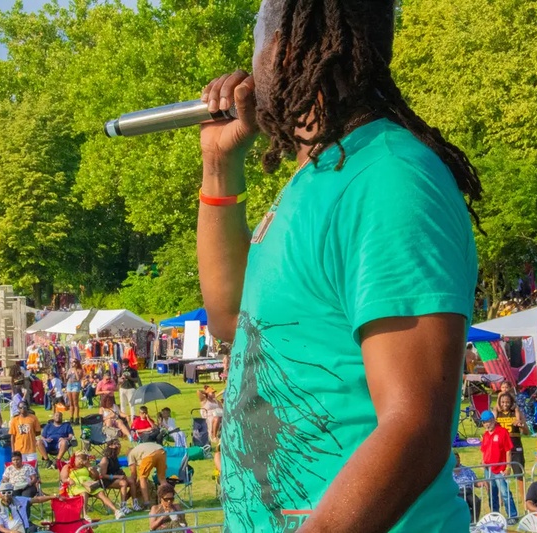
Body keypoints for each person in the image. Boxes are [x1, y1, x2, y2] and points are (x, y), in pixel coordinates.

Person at [198, 0, 480, 530]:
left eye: (255, 37)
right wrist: (219, 163)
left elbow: (415, 426)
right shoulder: (316, 178)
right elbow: (232, 320)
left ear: (280, 50)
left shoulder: (389, 179)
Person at [61, 450, 124, 521]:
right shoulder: (68, 467)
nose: (81, 461)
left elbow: (96, 476)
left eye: (84, 458)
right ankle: (85, 515)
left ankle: (116, 511)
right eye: (80, 458)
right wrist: (69, 480)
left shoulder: (86, 467)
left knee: (101, 493)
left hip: (89, 484)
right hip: (76, 486)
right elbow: (63, 478)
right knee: (84, 493)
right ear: (75, 458)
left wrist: (89, 466)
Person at [480, 410, 518, 522]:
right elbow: (484, 450)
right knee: (491, 494)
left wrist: (508, 467)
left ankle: (513, 516)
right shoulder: (486, 435)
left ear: (493, 420)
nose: (486, 424)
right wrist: (482, 462)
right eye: (484, 422)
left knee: (505, 493)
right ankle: (494, 517)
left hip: (500, 469)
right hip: (488, 469)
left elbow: (508, 451)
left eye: (488, 421)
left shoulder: (502, 432)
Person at [99, 438, 143, 514]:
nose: (118, 445)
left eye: (119, 443)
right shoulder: (105, 459)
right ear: (110, 446)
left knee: (132, 480)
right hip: (106, 481)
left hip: (116, 478)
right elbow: (103, 475)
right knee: (123, 483)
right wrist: (117, 477)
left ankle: (135, 504)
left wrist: (122, 475)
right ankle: (123, 506)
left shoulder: (115, 457)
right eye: (116, 444)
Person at [128, 442, 166, 508]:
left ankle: (147, 503)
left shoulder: (130, 455)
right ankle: (167, 499)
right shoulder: (139, 449)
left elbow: (134, 475)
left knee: (142, 478)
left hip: (150, 454)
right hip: (161, 451)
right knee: (162, 479)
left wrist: (133, 484)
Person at [452, 452, 485, 524]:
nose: (457, 460)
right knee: (464, 504)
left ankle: (474, 522)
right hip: (457, 493)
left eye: (458, 458)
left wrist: (481, 483)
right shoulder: (448, 472)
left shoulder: (467, 469)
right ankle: (464, 523)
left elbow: (475, 481)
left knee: (476, 501)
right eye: (455, 458)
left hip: (468, 491)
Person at [66, 359, 84, 424]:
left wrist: (75, 370)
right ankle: (71, 417)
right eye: (72, 363)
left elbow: (78, 378)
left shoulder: (80, 370)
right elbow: (66, 377)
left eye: (74, 363)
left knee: (75, 402)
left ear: (77, 364)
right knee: (70, 403)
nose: (73, 364)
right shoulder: (70, 370)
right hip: (69, 384)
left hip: (76, 385)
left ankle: (77, 418)